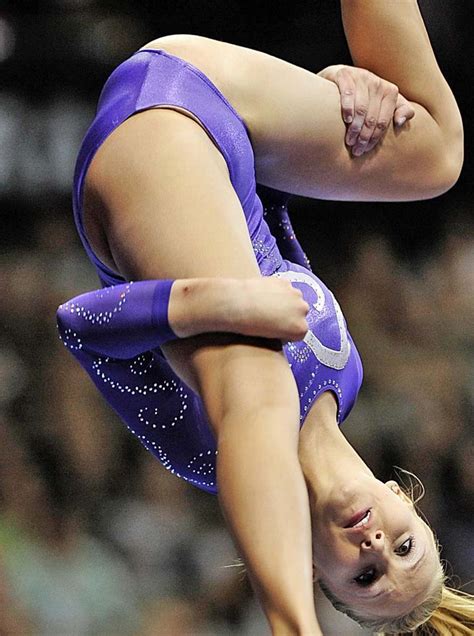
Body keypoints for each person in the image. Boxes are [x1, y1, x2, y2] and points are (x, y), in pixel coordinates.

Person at [57, 1, 472, 633]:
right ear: (404, 499)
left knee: (261, 383)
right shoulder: (349, 377)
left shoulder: (202, 457)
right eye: (406, 545)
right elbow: (267, 226)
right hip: (217, 112)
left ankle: (291, 628)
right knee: (436, 153)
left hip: (142, 153)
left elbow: (82, 328)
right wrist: (334, 90)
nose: (377, 549)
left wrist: (212, 302)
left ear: (312, 570)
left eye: (364, 578)